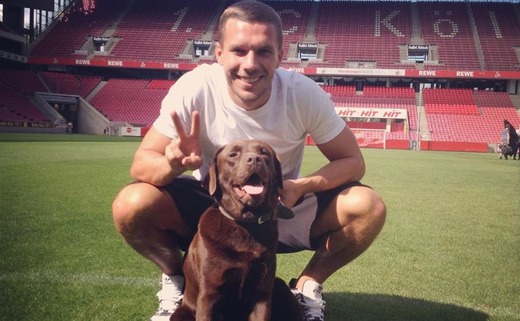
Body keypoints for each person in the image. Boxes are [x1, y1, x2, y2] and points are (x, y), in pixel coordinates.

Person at [111, 1, 386, 321]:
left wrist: (301, 185)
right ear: (219, 53)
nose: (250, 64)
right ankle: (180, 280)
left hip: (279, 203)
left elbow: (352, 160)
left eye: (263, 52)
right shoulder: (195, 87)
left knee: (367, 205)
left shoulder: (302, 93)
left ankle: (307, 286)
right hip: (212, 204)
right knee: (132, 203)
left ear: (280, 56)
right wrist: (174, 163)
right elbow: (141, 164)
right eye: (239, 50)